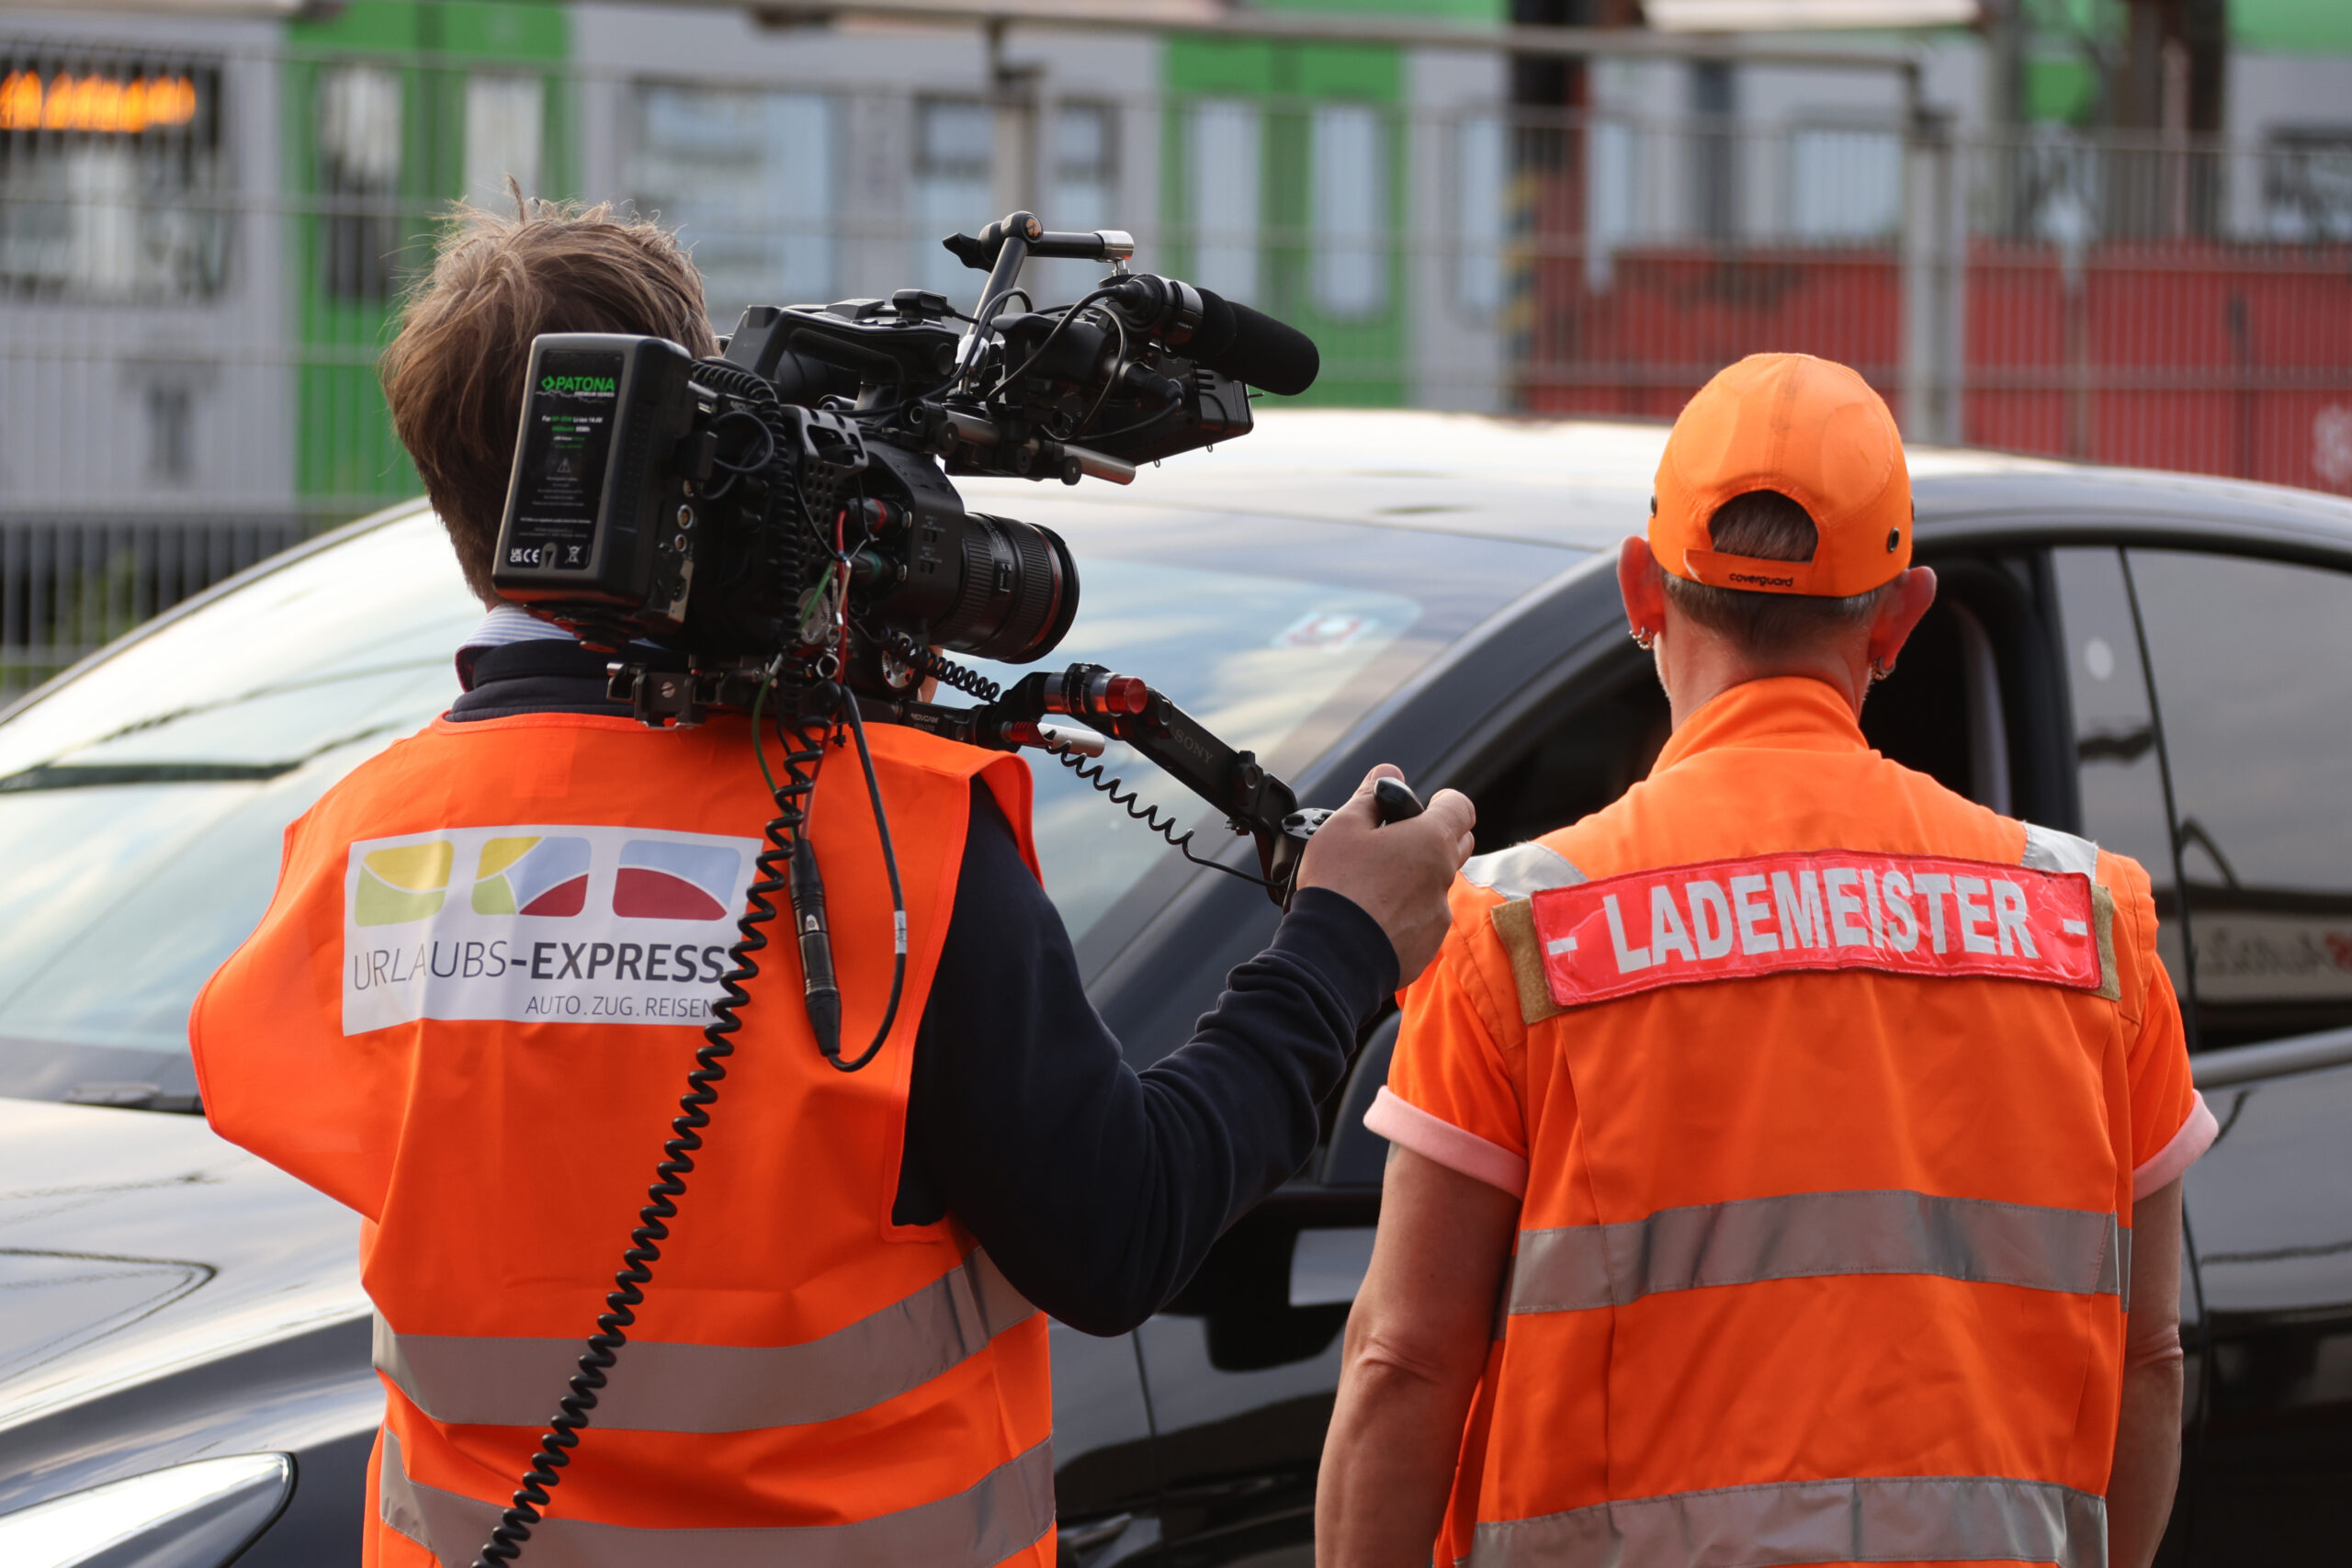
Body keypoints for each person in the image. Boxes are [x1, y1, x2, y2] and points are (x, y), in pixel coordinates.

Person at [188, 197, 1475, 1568]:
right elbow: (1122, 1230)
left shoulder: (363, 842)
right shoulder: (893, 832)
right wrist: (1342, 944)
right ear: (686, 442)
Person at [1317, 353, 2216, 1568]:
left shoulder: (1520, 928)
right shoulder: (2091, 925)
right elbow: (2150, 1360)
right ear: (1899, 620)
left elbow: (1403, 1362)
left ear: (1641, 591)